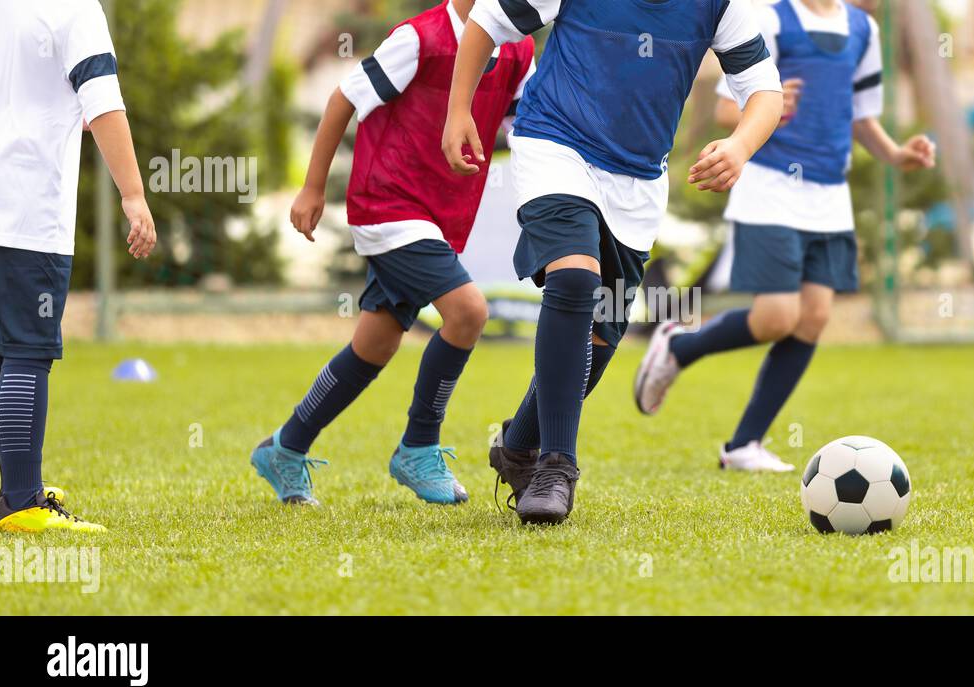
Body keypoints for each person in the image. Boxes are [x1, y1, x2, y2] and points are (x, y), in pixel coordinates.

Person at [444, 0, 785, 524]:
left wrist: (740, 147)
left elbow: (764, 89)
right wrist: (459, 110)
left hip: (638, 182)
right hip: (552, 144)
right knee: (576, 279)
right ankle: (556, 466)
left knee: (601, 340)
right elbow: (488, 20)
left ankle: (518, 444)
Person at [251, 0, 535, 506]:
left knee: (375, 345)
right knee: (469, 311)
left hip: (442, 218)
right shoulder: (419, 39)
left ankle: (285, 447)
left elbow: (527, 119)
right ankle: (418, 445)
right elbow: (343, 99)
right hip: (387, 204)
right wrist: (313, 189)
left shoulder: (517, 47)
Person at [633, 0, 936, 472]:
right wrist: (774, 109)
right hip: (770, 188)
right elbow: (726, 110)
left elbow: (860, 117)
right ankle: (678, 346)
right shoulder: (771, 19)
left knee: (812, 318)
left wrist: (896, 154)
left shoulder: (864, 31)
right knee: (776, 316)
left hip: (830, 197)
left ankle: (742, 446)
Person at [0, 0, 158, 532]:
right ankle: (20, 502)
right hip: (26, 210)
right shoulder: (74, 8)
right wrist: (134, 194)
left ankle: (14, 487)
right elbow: (104, 100)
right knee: (26, 349)